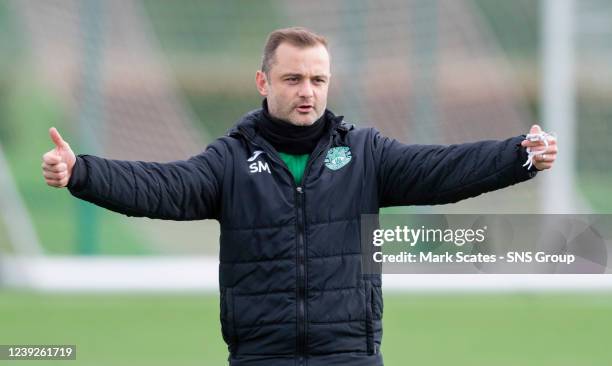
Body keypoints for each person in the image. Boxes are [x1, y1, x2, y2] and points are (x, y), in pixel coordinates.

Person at [41, 27, 557, 366]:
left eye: (317, 79)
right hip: (261, 356)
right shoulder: (230, 160)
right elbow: (163, 187)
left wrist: (519, 156)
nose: (307, 90)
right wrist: (81, 171)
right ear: (264, 81)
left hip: (350, 355)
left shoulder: (364, 153)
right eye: (293, 78)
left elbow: (444, 169)